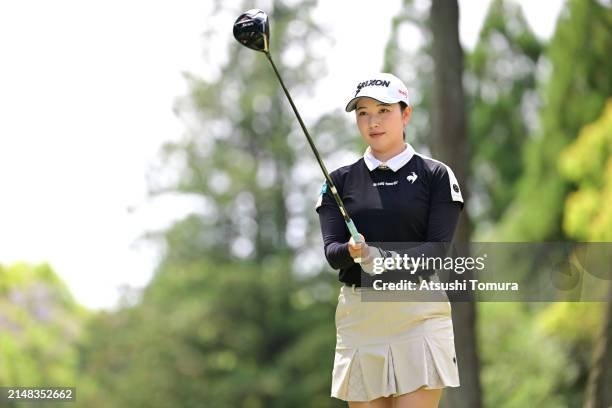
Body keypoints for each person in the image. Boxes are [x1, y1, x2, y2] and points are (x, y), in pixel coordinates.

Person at [315, 73, 463, 408]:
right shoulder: (338, 181)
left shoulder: (435, 175)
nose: (373, 121)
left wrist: (378, 257)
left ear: (405, 113)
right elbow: (332, 252)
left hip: (418, 313)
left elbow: (437, 251)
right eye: (363, 112)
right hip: (361, 317)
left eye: (383, 110)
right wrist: (354, 252)